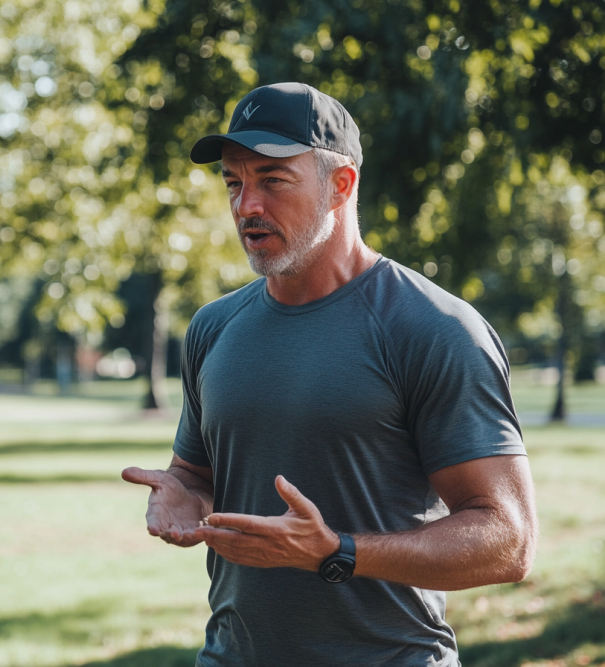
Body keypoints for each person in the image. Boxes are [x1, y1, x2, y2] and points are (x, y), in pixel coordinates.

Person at [122, 82, 538, 666]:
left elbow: (508, 541)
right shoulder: (213, 327)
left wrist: (337, 551)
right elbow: (195, 473)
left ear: (340, 185)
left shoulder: (433, 328)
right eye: (234, 183)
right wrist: (183, 495)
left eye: (272, 180)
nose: (247, 207)